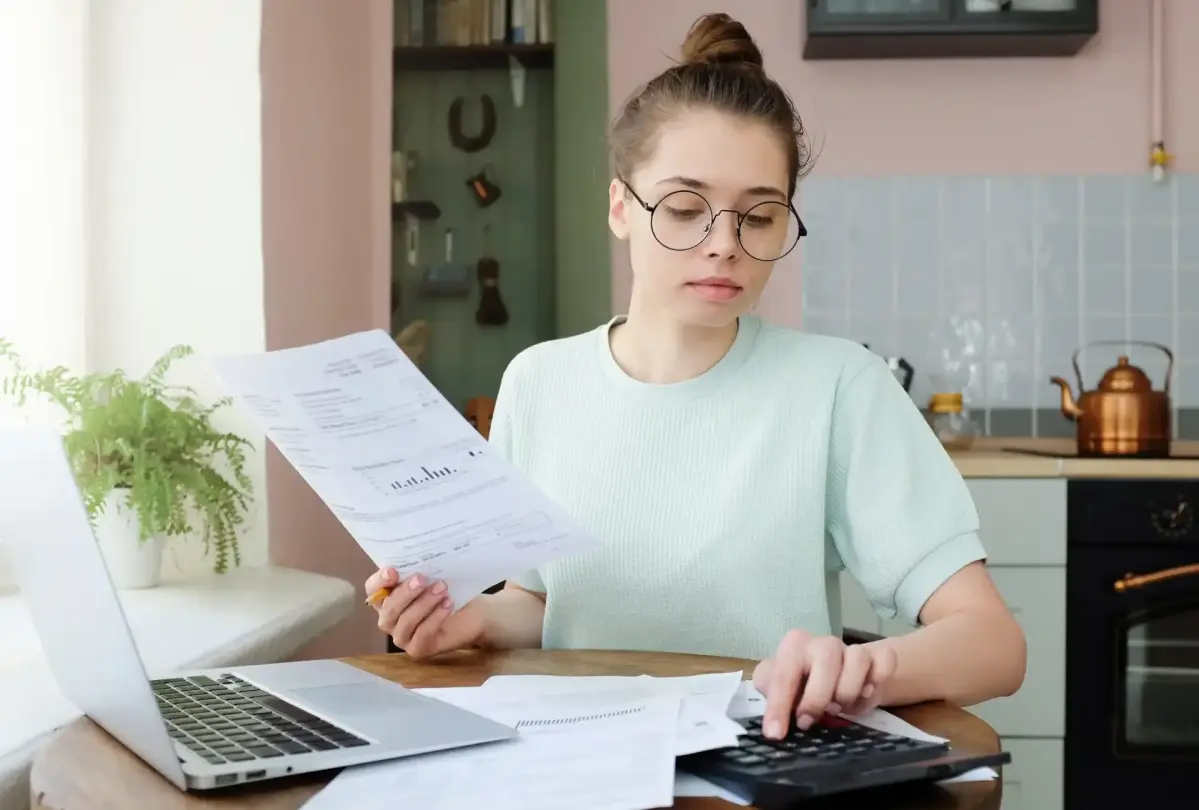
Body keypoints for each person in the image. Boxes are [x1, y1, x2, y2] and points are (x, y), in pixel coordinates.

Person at [366, 12, 1026, 740]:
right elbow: (550, 605)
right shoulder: (538, 382)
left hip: (764, 761)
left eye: (759, 216)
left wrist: (859, 670)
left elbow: (992, 644)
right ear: (620, 206)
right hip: (578, 758)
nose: (723, 246)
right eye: (684, 209)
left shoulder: (838, 387)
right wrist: (476, 620)